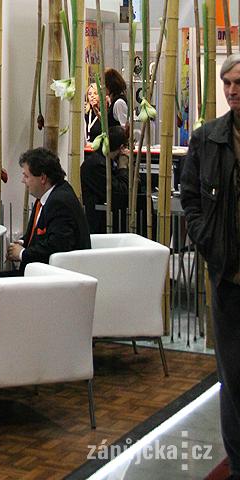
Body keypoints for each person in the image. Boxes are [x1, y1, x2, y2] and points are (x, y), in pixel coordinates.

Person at [181, 53, 240, 480]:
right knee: (233, 378)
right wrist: (208, 242)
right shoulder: (207, 139)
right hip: (228, 276)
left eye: (239, 83)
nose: (233, 91)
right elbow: (190, 198)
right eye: (227, 84)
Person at [0, 148, 91, 279]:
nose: (23, 181)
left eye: (26, 176)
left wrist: (22, 254)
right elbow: (38, 235)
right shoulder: (45, 196)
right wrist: (22, 242)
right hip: (37, 272)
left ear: (42, 178)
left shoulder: (60, 201)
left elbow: (58, 245)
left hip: (52, 278)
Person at [81, 125, 130, 233]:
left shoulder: (103, 161)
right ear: (121, 148)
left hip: (104, 220)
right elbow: (121, 193)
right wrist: (123, 168)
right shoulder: (97, 165)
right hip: (98, 223)